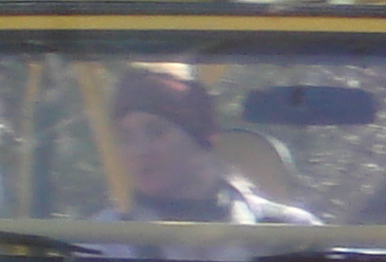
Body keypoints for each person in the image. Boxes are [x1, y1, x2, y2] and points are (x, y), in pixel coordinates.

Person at [102, 66, 315, 224]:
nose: (139, 150)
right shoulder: (103, 241)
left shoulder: (290, 235)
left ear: (203, 140)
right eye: (126, 138)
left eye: (156, 132)